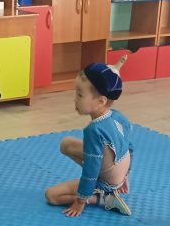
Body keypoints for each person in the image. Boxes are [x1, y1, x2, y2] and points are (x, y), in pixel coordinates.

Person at [45, 62, 133, 218]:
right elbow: (129, 147)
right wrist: (125, 176)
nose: (75, 100)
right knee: (66, 144)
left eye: (80, 95)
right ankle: (108, 188)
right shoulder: (116, 115)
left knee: (51, 196)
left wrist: (81, 200)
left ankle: (102, 199)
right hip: (118, 173)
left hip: (107, 182)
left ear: (101, 101)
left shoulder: (94, 130)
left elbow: (91, 170)